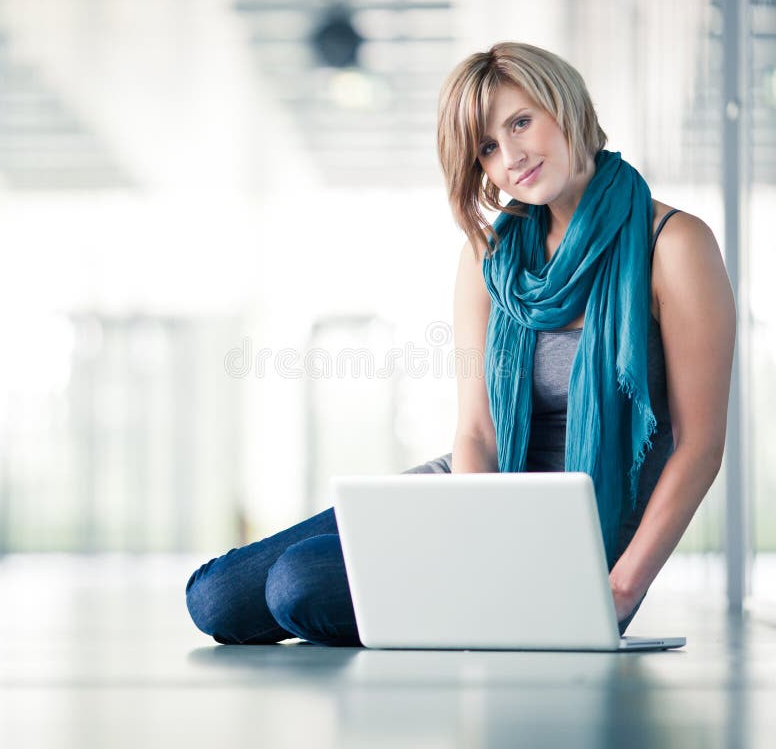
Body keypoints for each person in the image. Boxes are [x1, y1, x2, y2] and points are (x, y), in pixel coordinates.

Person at [185, 42, 735, 647]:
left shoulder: (674, 245)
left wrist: (622, 588)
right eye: (488, 149)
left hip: (582, 541)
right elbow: (477, 431)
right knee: (215, 599)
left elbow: (700, 445)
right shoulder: (489, 259)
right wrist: (477, 540)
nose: (512, 158)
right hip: (479, 499)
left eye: (520, 122)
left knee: (300, 585)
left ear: (566, 104)